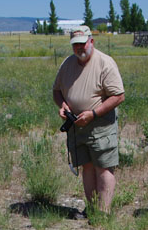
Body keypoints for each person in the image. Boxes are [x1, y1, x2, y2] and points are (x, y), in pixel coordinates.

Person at [53, 25, 125, 214]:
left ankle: (104, 212)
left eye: (82, 44)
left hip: (100, 125)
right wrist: (63, 106)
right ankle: (92, 209)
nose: (79, 48)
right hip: (77, 126)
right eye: (75, 45)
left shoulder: (105, 63)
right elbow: (57, 91)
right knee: (87, 166)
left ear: (91, 42)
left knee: (104, 167)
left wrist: (93, 114)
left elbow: (118, 96)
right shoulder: (67, 64)